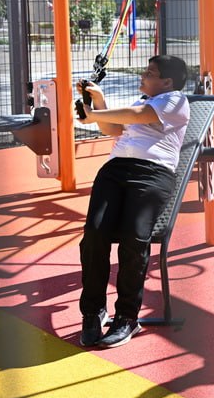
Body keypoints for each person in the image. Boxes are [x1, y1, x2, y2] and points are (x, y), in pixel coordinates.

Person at [76, 55, 190, 348]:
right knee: (94, 235)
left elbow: (138, 115)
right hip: (115, 170)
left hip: (152, 174)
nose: (143, 75)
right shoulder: (142, 100)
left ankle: (127, 318)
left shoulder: (175, 100)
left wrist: (95, 114)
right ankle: (93, 311)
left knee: (134, 239)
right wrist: (98, 101)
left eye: (150, 72)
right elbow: (113, 129)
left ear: (167, 82)